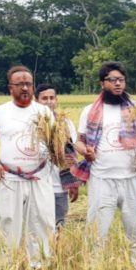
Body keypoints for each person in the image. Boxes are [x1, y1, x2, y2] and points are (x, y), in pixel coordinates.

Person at [72, 62, 136, 270]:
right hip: (101, 179)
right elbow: (79, 141)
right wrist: (84, 151)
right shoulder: (90, 111)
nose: (118, 84)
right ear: (102, 83)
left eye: (121, 80)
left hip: (132, 178)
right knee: (97, 231)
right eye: (112, 80)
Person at [0, 65, 54, 269]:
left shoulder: (44, 112)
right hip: (9, 177)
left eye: (28, 84)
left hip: (39, 176)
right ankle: (5, 267)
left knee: (42, 221)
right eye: (19, 84)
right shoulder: (0, 112)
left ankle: (40, 265)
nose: (24, 88)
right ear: (10, 88)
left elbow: (56, 144)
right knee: (6, 221)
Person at [35, 83, 79, 229]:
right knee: (38, 224)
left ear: (56, 100)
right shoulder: (31, 123)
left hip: (58, 184)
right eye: (44, 98)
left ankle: (57, 251)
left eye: (52, 98)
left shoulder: (65, 123)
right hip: (36, 184)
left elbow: (71, 152)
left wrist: (73, 183)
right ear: (36, 101)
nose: (49, 102)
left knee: (59, 223)